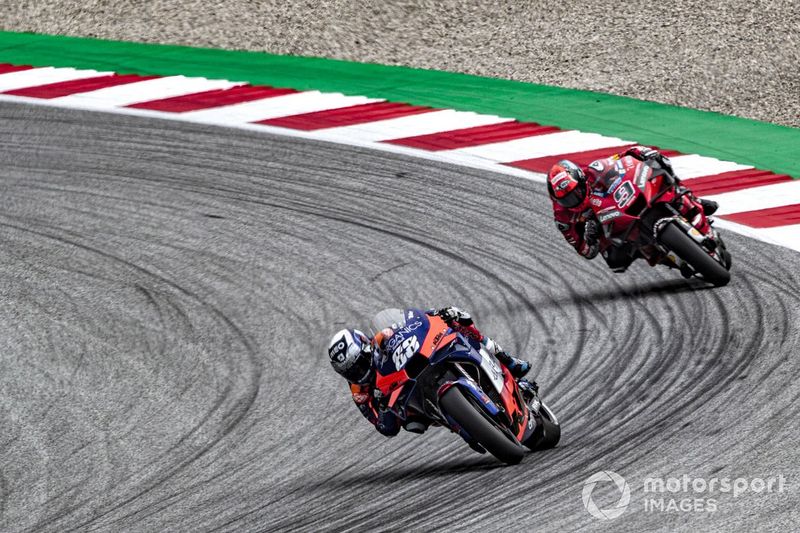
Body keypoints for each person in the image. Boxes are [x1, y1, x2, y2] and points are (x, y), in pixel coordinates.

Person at [327, 307, 536, 437]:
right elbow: (384, 427)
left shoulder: (383, 336)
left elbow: (413, 320)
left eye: (360, 364)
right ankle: (463, 424)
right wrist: (383, 409)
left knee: (457, 320)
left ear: (366, 345)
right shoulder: (359, 391)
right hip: (408, 399)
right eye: (351, 372)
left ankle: (508, 360)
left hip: (420, 363)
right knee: (413, 424)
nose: (359, 373)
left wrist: (437, 313)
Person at [547, 146, 719, 273]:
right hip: (610, 230)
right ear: (557, 200)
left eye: (576, 192)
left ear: (581, 179)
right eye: (567, 199)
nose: (574, 199)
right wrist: (591, 238)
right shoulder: (563, 218)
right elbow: (586, 251)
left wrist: (643, 152)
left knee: (661, 165)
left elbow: (623, 157)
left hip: (622, 204)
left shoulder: (595, 170)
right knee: (615, 262)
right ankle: (666, 256)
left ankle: (691, 199)